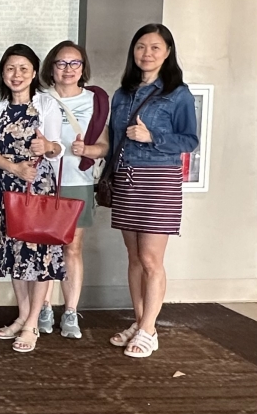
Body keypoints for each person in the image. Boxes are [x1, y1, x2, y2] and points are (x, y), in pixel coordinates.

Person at [107, 24, 198, 358]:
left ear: (168, 52)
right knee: (133, 258)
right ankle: (140, 322)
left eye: (155, 47)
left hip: (159, 180)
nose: (147, 53)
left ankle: (149, 330)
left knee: (150, 259)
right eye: (141, 46)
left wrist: (153, 137)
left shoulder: (178, 93)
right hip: (127, 179)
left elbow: (190, 140)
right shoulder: (122, 94)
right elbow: (113, 141)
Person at [0, 44, 65, 353]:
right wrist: (13, 167)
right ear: (3, 73)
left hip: (38, 187)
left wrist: (48, 147)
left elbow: (58, 147)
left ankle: (31, 324)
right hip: (9, 186)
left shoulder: (46, 104)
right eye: (10, 69)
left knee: (40, 254)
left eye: (23, 69)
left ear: (33, 73)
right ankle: (22, 315)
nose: (16, 75)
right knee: (14, 252)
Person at [38, 40, 109, 339]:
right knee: (44, 248)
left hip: (78, 182)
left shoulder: (96, 100)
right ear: (51, 68)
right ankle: (42, 307)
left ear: (83, 67)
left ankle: (70, 311)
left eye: (74, 63)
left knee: (72, 247)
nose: (68, 69)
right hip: (43, 182)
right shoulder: (39, 98)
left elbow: (104, 146)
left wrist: (87, 150)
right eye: (61, 63)